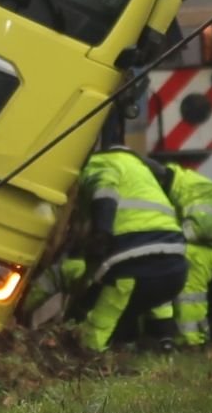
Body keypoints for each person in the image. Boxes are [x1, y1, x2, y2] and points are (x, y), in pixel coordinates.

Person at [54, 138, 186, 355]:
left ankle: (85, 360)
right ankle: (153, 343)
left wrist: (102, 231)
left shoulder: (100, 163)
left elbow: (104, 192)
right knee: (126, 308)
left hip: (134, 263)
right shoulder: (136, 167)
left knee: (100, 320)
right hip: (175, 264)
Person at [159, 151, 212, 347]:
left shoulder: (193, 188)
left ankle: (193, 341)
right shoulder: (187, 186)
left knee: (192, 293)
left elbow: (202, 228)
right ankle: (202, 338)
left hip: (210, 258)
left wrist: (173, 236)